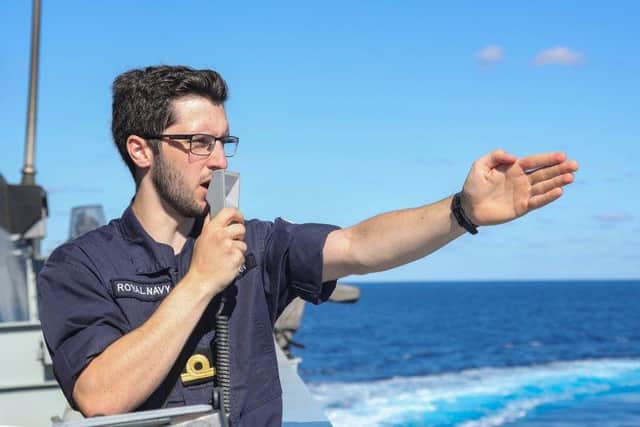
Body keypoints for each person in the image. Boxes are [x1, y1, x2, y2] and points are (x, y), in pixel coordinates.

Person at [37, 65, 579, 426]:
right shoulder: (81, 266)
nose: (221, 160)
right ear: (141, 150)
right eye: (198, 143)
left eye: (223, 142)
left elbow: (360, 245)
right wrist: (201, 281)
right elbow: (99, 396)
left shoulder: (256, 245)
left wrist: (460, 211)